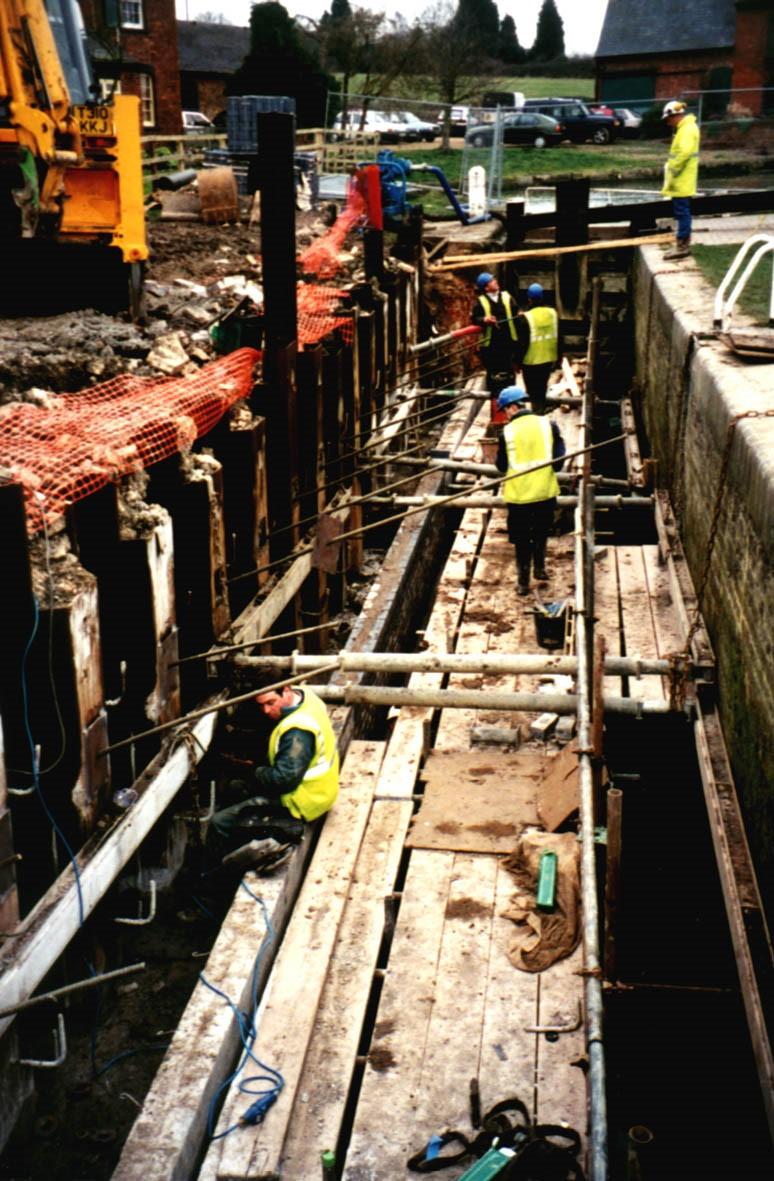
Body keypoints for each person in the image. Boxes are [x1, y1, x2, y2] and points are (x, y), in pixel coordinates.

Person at [210, 677, 340, 872]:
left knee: (218, 822)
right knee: (236, 789)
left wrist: (252, 770)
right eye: (261, 705)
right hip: (322, 789)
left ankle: (214, 881)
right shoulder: (307, 698)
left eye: (271, 703)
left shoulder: (297, 732)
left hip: (302, 801)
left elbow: (283, 780)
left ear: (286, 691)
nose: (266, 711)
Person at [495, 386, 566, 596]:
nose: (505, 415)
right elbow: (559, 461)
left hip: (519, 497)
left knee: (522, 539)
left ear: (512, 407)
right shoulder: (548, 425)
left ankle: (523, 582)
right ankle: (540, 568)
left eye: (505, 410)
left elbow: (501, 465)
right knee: (542, 531)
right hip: (545, 491)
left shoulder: (506, 433)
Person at [471, 271, 519, 411]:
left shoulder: (507, 297)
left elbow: (516, 313)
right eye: (492, 281)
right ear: (486, 288)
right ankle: (496, 406)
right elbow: (475, 318)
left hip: (508, 342)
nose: (495, 282)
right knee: (494, 376)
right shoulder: (481, 302)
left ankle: (511, 405)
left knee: (509, 374)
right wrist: (484, 320)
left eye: (494, 279)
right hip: (491, 345)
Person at [660, 100, 700, 261]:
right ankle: (682, 243)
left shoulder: (687, 130)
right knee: (681, 212)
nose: (668, 123)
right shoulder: (686, 128)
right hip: (682, 179)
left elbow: (684, 153)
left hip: (682, 179)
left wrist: (673, 170)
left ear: (675, 115)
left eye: (668, 119)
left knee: (682, 212)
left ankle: (682, 246)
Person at [514, 283, 560, 415]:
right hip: (548, 358)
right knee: (542, 387)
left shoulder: (525, 318)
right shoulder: (553, 313)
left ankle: (537, 413)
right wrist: (559, 356)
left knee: (532, 390)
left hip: (531, 361)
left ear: (529, 299)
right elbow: (559, 335)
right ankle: (540, 409)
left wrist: (517, 361)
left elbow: (521, 343)